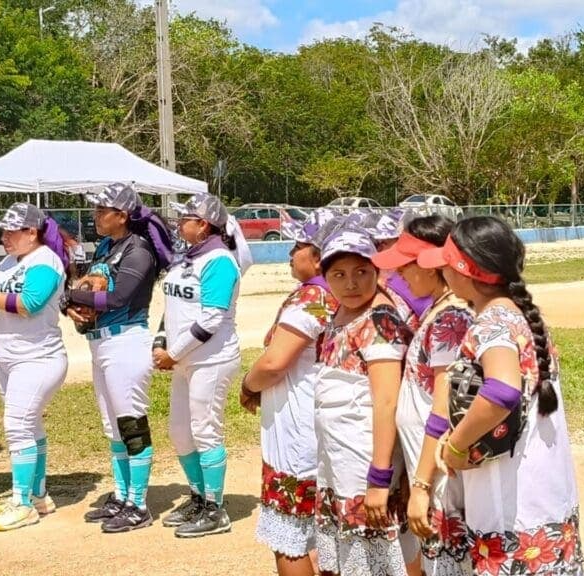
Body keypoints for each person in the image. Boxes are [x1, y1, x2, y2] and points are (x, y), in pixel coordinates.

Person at [421, 216, 584, 575]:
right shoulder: (518, 316)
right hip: (544, 499)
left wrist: (455, 446)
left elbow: (502, 390)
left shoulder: (491, 323)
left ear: (466, 271)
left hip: (510, 506)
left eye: (447, 264)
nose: (442, 272)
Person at [0, 203, 75, 531]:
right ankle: (38, 495)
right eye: (3, 230)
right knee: (28, 425)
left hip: (38, 358)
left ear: (31, 233)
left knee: (17, 425)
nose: (4, 237)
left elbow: (29, 305)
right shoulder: (9, 262)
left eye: (11, 231)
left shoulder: (45, 261)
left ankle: (22, 504)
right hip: (9, 358)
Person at [66, 184, 173, 534]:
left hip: (126, 342)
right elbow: (88, 289)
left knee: (130, 424)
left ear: (122, 216)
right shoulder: (105, 247)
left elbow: (119, 298)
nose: (96, 216)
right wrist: (70, 305)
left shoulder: (137, 249)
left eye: (102, 210)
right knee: (112, 427)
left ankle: (138, 505)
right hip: (100, 344)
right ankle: (123, 495)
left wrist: (69, 295)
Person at [372, 215, 473, 576]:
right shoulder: (437, 311)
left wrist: (421, 484)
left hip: (441, 479)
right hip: (430, 467)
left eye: (406, 265)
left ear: (431, 265)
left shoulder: (450, 319)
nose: (399, 274)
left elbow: (442, 408)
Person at [242, 210, 340, 575]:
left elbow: (274, 362)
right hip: (328, 423)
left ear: (318, 256)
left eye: (298, 245)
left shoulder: (313, 297)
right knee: (326, 535)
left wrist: (247, 385)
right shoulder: (347, 294)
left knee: (291, 535)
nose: (289, 252)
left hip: (298, 427)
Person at [313, 227, 413, 576]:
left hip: (363, 463)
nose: (351, 283)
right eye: (339, 274)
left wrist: (379, 479)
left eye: (361, 272)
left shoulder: (380, 321)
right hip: (338, 461)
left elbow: (386, 401)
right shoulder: (340, 316)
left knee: (373, 558)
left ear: (377, 271)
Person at [154, 193, 249, 538]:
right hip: (185, 359)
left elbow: (211, 319)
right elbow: (172, 308)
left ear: (204, 224)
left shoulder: (220, 261)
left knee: (205, 430)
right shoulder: (186, 258)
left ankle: (215, 508)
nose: (180, 223)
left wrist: (174, 353)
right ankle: (197, 496)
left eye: (186, 218)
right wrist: (161, 342)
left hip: (212, 359)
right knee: (180, 432)